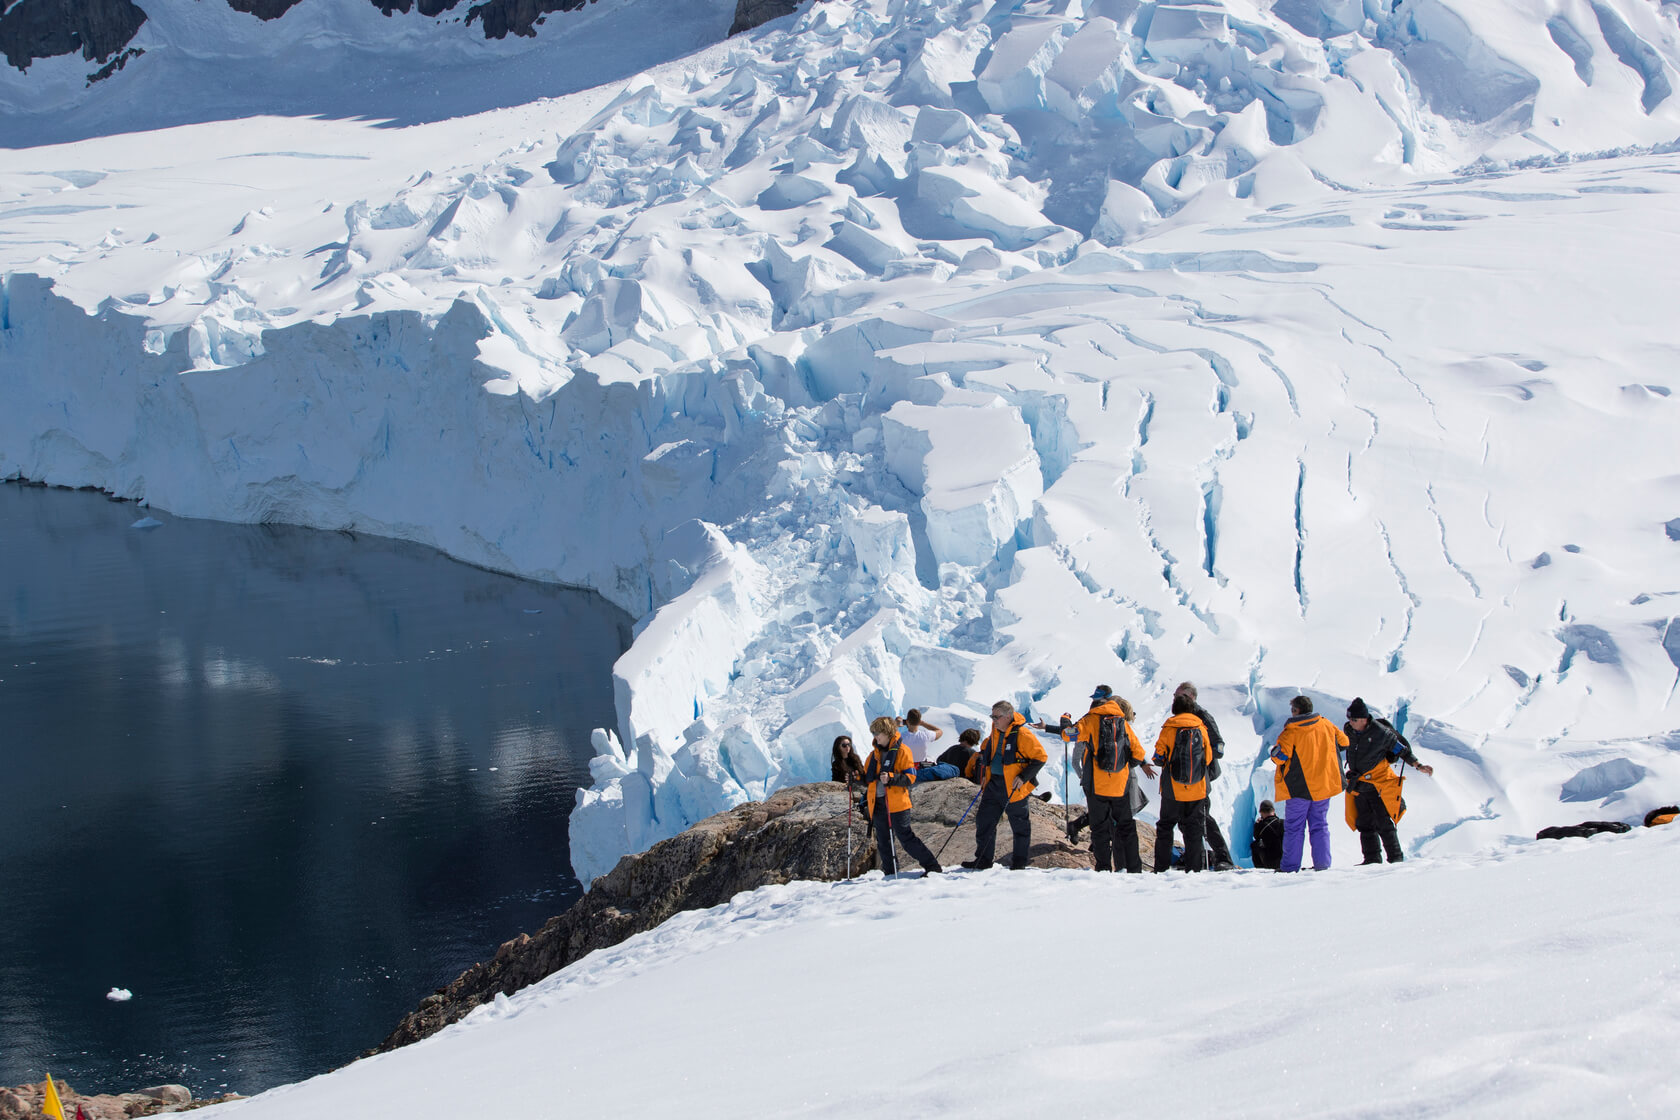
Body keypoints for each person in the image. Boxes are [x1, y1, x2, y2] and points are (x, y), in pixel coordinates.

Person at [1071, 686, 1156, 873]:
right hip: (1120, 785)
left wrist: (1064, 721)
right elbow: (1138, 753)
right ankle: (1133, 869)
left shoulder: (1090, 720)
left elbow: (1068, 735)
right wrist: (1126, 765)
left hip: (1097, 785)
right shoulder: (1122, 722)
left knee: (1100, 828)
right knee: (1126, 827)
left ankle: (1103, 868)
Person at [1342, 697, 1432, 864]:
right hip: (1359, 784)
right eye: (1349, 718)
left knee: (1384, 823)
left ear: (1363, 719)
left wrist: (1418, 765)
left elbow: (1401, 750)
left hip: (1378, 784)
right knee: (1364, 823)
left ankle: (1396, 859)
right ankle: (1371, 860)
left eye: (1353, 719)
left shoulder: (1381, 733)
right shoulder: (1349, 730)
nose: (1350, 722)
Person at [961, 701, 1047, 870]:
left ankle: (1019, 862)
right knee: (984, 820)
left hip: (1013, 786)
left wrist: (1023, 777)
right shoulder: (995, 731)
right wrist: (985, 774)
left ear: (1008, 717)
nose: (993, 720)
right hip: (994, 783)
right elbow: (989, 752)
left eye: (996, 717)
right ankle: (983, 859)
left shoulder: (1022, 733)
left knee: (1019, 825)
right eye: (992, 716)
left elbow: (1041, 757)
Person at [1269, 696, 1350, 872]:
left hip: (1299, 787)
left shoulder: (1291, 731)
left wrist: (1274, 752)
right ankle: (1323, 865)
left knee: (1294, 828)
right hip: (1323, 785)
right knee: (1320, 825)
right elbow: (1344, 742)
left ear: (1296, 711)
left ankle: (1290, 868)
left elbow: (1279, 758)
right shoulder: (1326, 724)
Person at [861, 716, 942, 876]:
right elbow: (866, 778)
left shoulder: (903, 751)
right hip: (877, 802)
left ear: (887, 732)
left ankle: (932, 866)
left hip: (897, 803)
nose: (875, 737)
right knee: (884, 840)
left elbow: (910, 777)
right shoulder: (873, 754)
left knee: (905, 837)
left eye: (877, 733)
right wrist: (856, 778)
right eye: (873, 733)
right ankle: (890, 873)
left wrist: (891, 778)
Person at [1173, 682, 1236, 870]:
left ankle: (1223, 858)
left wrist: (1200, 758)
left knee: (1203, 818)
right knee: (1186, 819)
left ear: (1191, 697)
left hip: (1200, 776)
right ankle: (1196, 858)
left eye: (1178, 695)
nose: (1175, 699)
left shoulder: (1202, 716)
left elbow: (1218, 746)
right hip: (1185, 776)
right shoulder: (1181, 716)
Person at [1152, 694, 1214, 872]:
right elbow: (1208, 757)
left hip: (1172, 789)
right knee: (1193, 828)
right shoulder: (1201, 728)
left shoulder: (1169, 728)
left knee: (1166, 826)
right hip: (1197, 789)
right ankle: (1194, 869)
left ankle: (1161, 868)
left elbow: (1158, 757)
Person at [901, 708, 959, 781]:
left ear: (907, 721)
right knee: (952, 768)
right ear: (919, 721)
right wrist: (923, 723)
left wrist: (896, 724)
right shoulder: (926, 735)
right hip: (921, 768)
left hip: (906, 770)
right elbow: (939, 731)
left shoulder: (900, 737)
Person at [1250, 800, 1284, 870]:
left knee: (1255, 844)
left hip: (1269, 863)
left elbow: (1256, 836)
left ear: (1261, 812)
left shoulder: (1260, 826)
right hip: (1285, 860)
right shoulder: (1283, 823)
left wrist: (1257, 824)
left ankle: (1260, 868)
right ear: (1273, 811)